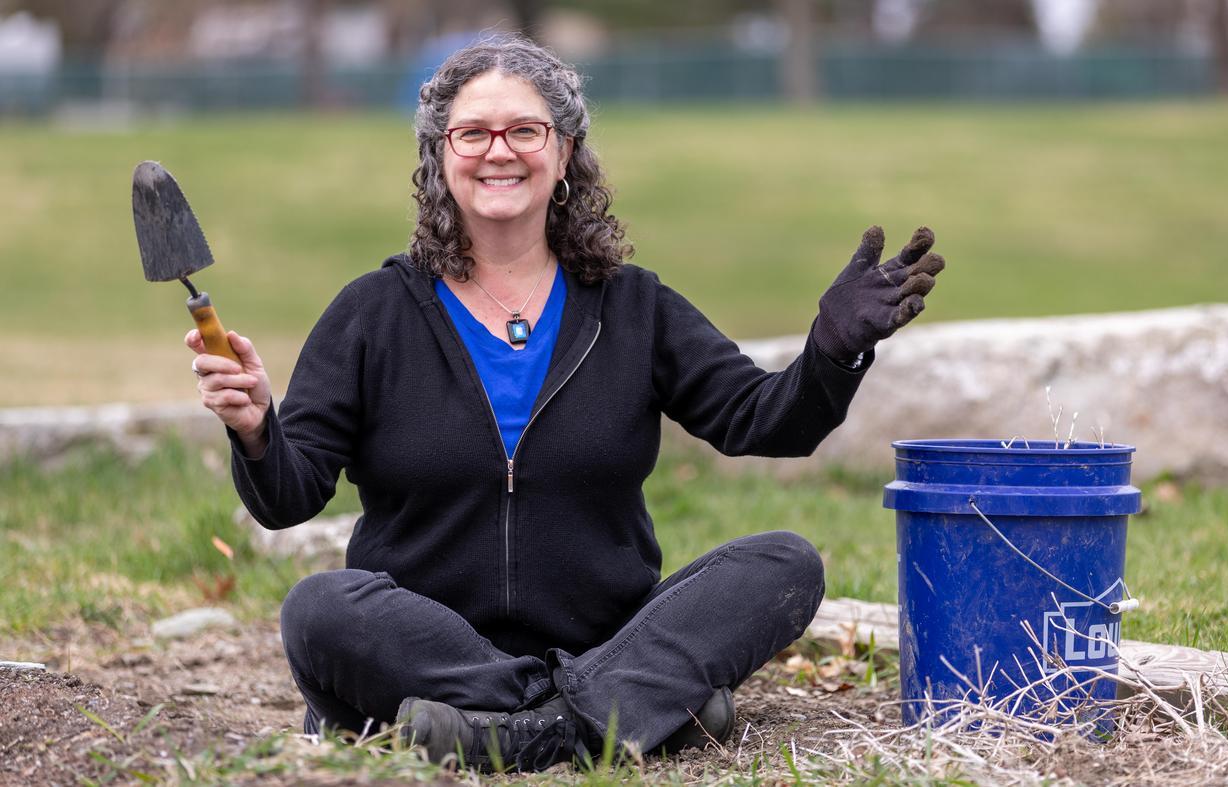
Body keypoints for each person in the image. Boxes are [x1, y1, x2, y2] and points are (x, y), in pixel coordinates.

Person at [187, 33, 944, 773]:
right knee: (318, 609)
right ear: (438, 154)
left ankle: (513, 732)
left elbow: (765, 420)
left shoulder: (633, 307)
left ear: (566, 151)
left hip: (601, 637)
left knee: (785, 563)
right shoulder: (372, 314)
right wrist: (256, 427)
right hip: (433, 652)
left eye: (525, 129)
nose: (499, 150)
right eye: (472, 133)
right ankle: (614, 715)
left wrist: (833, 349)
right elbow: (290, 497)